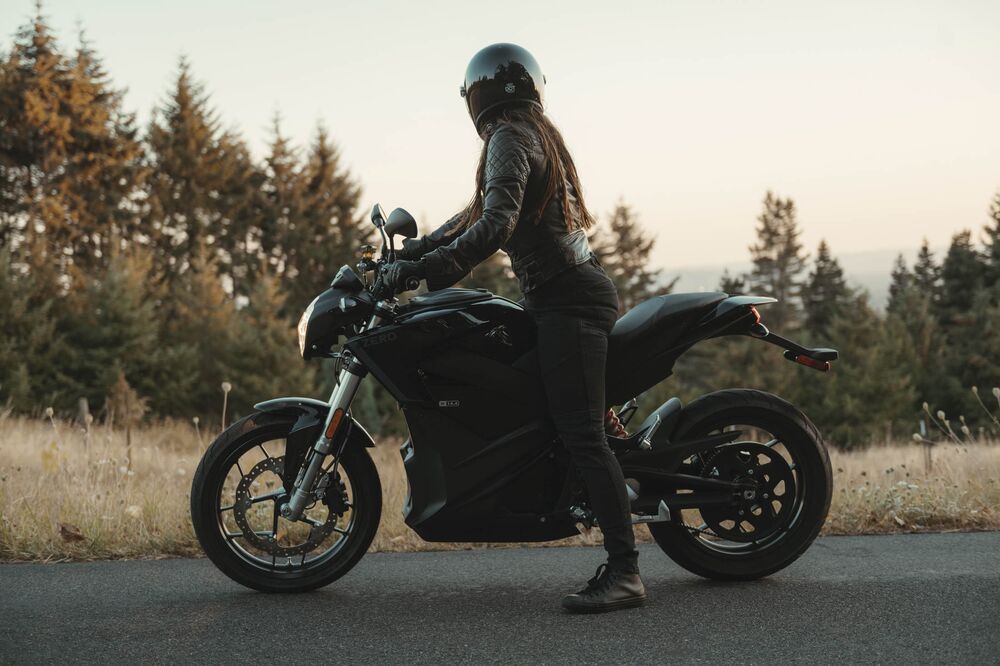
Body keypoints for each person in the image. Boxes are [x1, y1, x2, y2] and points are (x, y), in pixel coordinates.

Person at [382, 43, 644, 613]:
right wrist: (419, 249)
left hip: (568, 304)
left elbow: (495, 222)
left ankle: (625, 571)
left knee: (580, 432)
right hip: (563, 297)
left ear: (480, 94)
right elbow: (479, 211)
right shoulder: (530, 134)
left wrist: (427, 269)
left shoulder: (510, 137)